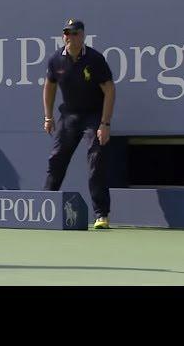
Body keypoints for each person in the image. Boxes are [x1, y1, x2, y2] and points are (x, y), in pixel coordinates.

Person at [42, 19, 116, 229]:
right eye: (66, 32)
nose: (69, 36)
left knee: (96, 159)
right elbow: (49, 86)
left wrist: (105, 123)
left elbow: (109, 90)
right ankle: (44, 206)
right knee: (56, 159)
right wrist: (48, 117)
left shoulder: (95, 59)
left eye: (74, 33)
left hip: (94, 116)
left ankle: (101, 214)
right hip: (70, 116)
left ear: (82, 36)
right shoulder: (56, 59)